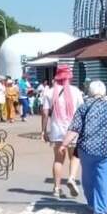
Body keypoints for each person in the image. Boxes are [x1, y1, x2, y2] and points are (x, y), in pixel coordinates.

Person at [64, 80, 107, 214]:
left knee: (88, 179)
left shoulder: (84, 107)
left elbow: (74, 128)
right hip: (105, 150)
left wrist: (64, 144)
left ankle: (92, 204)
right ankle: (102, 211)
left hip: (85, 149)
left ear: (90, 92)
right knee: (104, 180)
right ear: (104, 92)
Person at [42, 64, 83, 199]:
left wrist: (43, 130)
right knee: (74, 157)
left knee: (58, 160)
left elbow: (45, 113)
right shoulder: (76, 91)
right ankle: (71, 178)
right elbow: (82, 111)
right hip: (73, 130)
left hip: (56, 130)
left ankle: (57, 188)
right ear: (69, 77)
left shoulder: (49, 92)